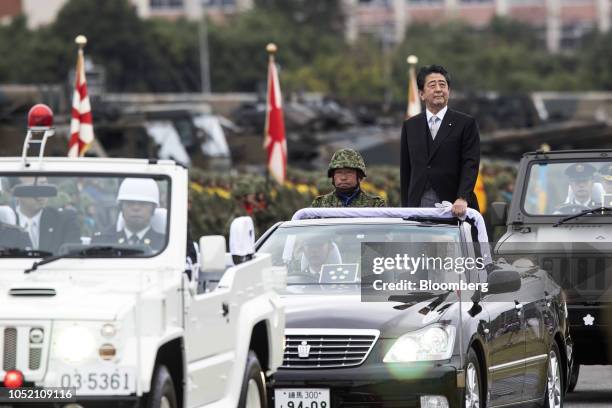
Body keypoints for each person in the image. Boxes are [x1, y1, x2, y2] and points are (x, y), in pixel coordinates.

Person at [400, 65, 480, 217]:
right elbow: (406, 170)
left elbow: (470, 163)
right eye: (432, 85)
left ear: (448, 91)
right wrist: (406, 208)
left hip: (455, 205)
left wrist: (462, 197)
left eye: (442, 85)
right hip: (419, 203)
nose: (438, 89)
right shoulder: (410, 125)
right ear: (421, 94)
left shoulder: (465, 123)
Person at [93, 178, 165, 252]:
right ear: (121, 207)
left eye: (143, 203)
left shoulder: (164, 243)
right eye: (130, 203)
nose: (136, 208)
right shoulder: (102, 241)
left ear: (153, 209)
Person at [12, 177, 80, 253]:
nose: (42, 192)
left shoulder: (64, 220)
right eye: (35, 187)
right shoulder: (5, 223)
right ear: (16, 192)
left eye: (45, 186)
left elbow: (72, 259)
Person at [311, 148, 386, 207]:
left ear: (359, 177)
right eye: (339, 173)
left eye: (349, 173)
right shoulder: (319, 204)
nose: (343, 178)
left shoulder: (375, 205)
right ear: (333, 177)